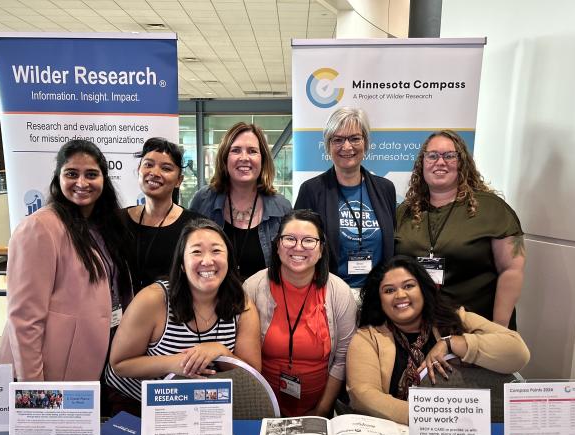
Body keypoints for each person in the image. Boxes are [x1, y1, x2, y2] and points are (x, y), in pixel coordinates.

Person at [0, 139, 132, 382]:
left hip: (93, 355)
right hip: (51, 371)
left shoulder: (104, 226)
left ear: (104, 179)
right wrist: (33, 389)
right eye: (71, 173)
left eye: (91, 174)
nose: (81, 183)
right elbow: (24, 318)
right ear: (58, 178)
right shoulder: (39, 228)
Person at [346, 255, 530, 425]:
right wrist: (434, 418)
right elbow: (363, 395)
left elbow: (518, 353)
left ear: (423, 289)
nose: (400, 295)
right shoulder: (368, 338)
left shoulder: (457, 319)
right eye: (389, 290)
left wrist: (451, 343)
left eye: (409, 286)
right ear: (379, 299)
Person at [106, 218, 262, 403]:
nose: (207, 260)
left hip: (201, 404)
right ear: (181, 264)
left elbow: (253, 376)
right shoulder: (154, 299)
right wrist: (176, 363)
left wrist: (221, 352)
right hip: (136, 400)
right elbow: (120, 365)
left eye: (216, 251)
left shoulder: (241, 304)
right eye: (196, 252)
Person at [395, 129, 525, 328]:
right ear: (422, 163)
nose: (440, 162)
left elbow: (512, 270)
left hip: (476, 329)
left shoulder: (492, 209)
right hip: (419, 327)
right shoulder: (405, 211)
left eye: (449, 156)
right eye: (432, 156)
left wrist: (499, 330)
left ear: (462, 162)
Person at [243, 210, 357, 417]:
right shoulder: (253, 287)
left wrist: (322, 410)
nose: (298, 247)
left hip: (319, 409)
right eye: (289, 239)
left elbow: (341, 359)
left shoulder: (339, 292)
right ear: (277, 245)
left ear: (321, 248)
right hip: (263, 407)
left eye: (308, 241)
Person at [295, 107, 396, 292]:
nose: (347, 147)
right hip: (329, 295)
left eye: (355, 138)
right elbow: (299, 247)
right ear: (328, 145)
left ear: (365, 142)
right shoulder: (311, 191)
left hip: (378, 296)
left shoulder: (385, 189)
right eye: (338, 139)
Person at [190, 122, 291, 280]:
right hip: (213, 301)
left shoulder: (281, 207)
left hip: (263, 302)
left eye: (252, 151)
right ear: (225, 158)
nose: (244, 158)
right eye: (236, 150)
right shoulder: (203, 200)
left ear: (263, 160)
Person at [124, 137, 201, 292]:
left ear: (179, 180)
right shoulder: (118, 221)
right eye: (148, 165)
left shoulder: (194, 226)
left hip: (174, 313)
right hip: (123, 313)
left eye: (166, 168)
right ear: (139, 169)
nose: (154, 173)